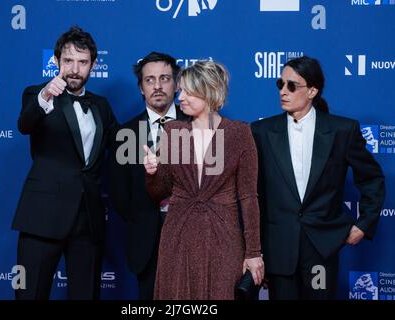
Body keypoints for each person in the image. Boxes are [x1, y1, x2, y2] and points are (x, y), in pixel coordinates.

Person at [251, 56, 385, 300]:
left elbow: (372, 178)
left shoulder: (342, 130)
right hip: (279, 250)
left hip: (322, 247)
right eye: (280, 84)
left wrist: (364, 224)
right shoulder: (261, 132)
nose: (283, 91)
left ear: (312, 90)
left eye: (292, 85)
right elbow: (252, 193)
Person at [143, 60, 264, 299]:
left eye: (188, 91)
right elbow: (159, 191)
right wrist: (152, 173)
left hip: (223, 239)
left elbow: (248, 198)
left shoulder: (239, 134)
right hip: (178, 237)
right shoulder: (173, 131)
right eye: (180, 91)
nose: (180, 98)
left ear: (209, 91)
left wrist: (253, 252)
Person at [12, 26, 117, 300]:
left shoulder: (102, 106)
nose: (74, 69)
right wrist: (46, 95)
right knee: (28, 294)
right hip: (41, 217)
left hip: (88, 222)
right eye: (68, 61)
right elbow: (25, 124)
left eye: (82, 62)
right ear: (57, 61)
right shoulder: (37, 94)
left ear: (93, 65)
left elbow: (121, 147)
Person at [109, 52, 188, 299]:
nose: (157, 86)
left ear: (176, 84)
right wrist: (144, 220)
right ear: (141, 88)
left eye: (164, 78)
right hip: (146, 241)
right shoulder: (126, 133)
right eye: (150, 80)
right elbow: (120, 195)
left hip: (193, 237)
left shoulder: (196, 125)